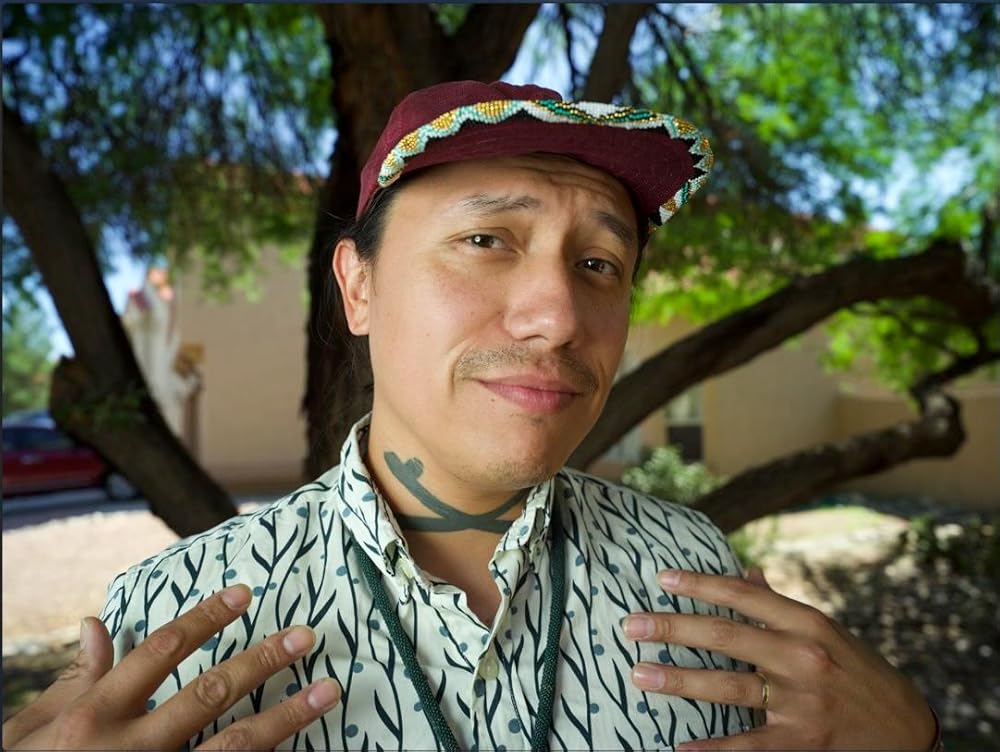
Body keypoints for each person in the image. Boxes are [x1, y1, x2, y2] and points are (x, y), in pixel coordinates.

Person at [2, 81, 941, 751]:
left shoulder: (698, 575)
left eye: (599, 264)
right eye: (487, 239)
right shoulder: (167, 621)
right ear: (358, 288)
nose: (560, 316)